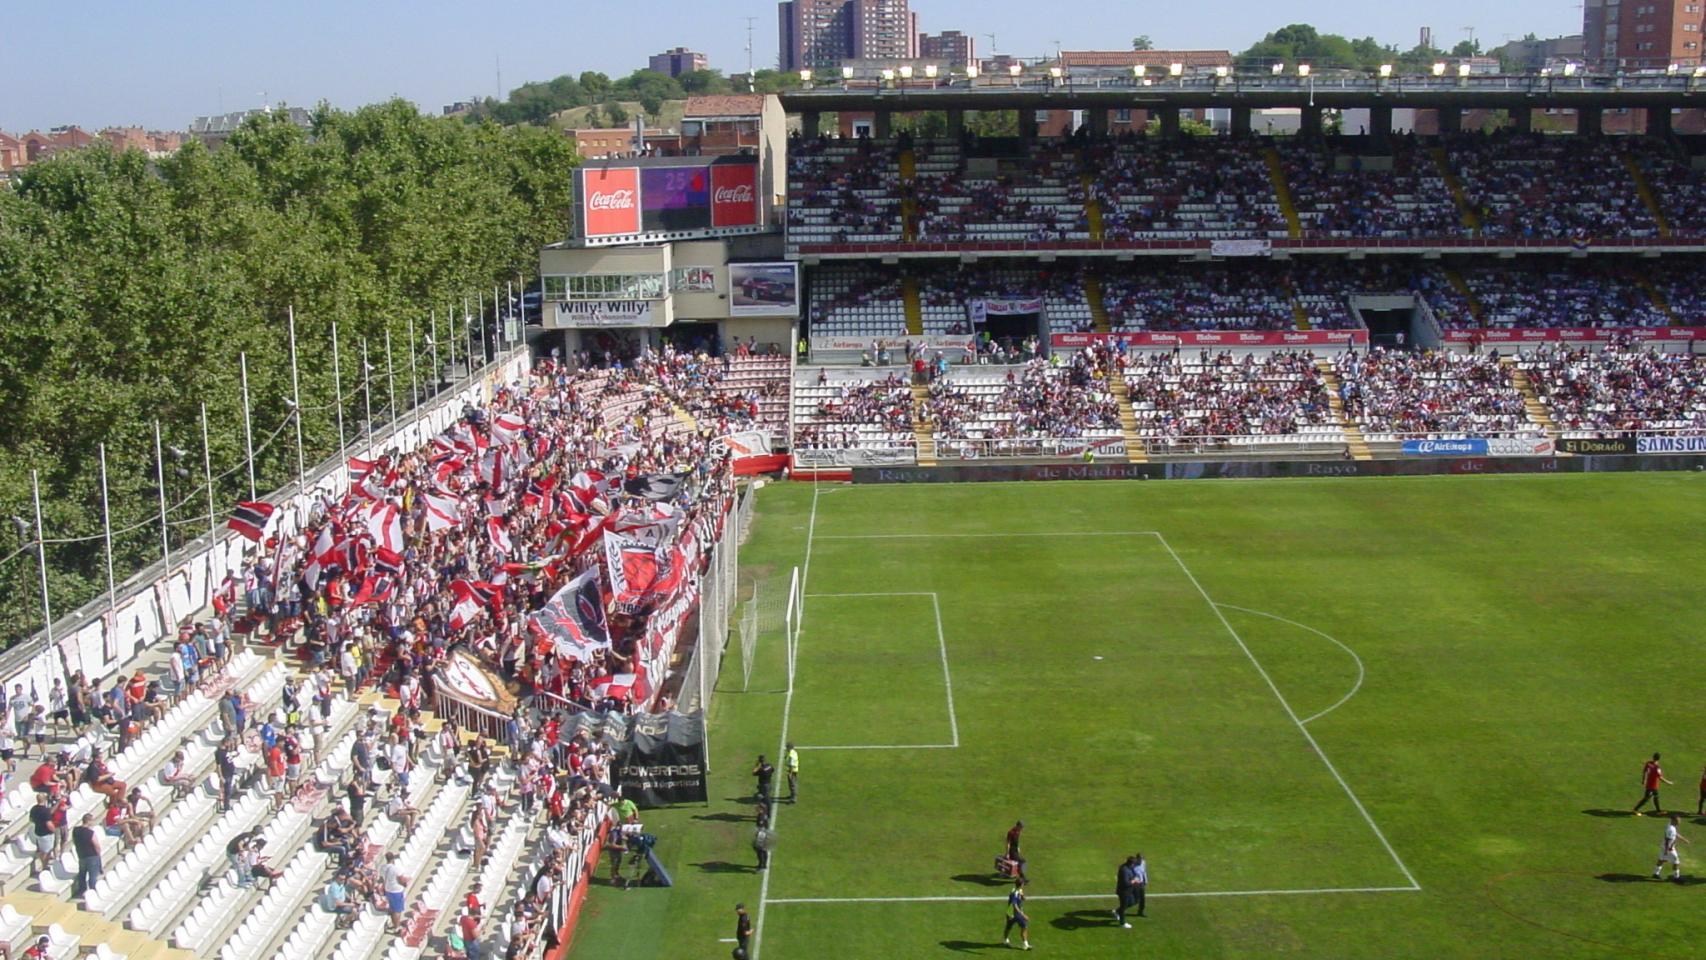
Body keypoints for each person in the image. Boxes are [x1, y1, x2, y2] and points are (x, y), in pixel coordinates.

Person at [71, 813, 101, 898]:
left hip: (81, 855)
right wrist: (98, 855)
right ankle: (92, 892)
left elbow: (74, 840)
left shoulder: (75, 830)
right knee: (93, 876)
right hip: (92, 856)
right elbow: (96, 845)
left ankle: (82, 890)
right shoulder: (90, 833)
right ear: (88, 821)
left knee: (82, 874)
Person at [1654, 813, 1689, 881]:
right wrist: (1667, 850)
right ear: (1673, 820)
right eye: (1677, 821)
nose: (1679, 822)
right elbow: (1667, 840)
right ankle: (1676, 877)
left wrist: (1683, 839)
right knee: (1676, 862)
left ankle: (1655, 873)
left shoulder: (1671, 825)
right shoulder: (1671, 829)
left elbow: (1675, 834)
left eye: (1679, 820)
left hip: (1664, 846)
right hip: (1669, 848)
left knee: (1661, 859)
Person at [381, 851, 410, 933]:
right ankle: (396, 927)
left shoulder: (383, 867)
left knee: (392, 908)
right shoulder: (396, 868)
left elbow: (382, 878)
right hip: (396, 891)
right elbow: (401, 880)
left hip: (388, 890)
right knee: (397, 910)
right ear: (393, 859)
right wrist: (405, 884)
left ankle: (395, 924)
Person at [1003, 879, 1031, 950]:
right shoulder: (1014, 893)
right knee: (1009, 927)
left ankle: (1025, 944)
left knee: (1024, 926)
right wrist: (1023, 915)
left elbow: (1023, 898)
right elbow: (1014, 906)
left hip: (1012, 913)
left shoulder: (1019, 890)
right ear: (1021, 884)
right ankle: (1006, 940)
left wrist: (1023, 896)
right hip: (1013, 914)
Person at [1114, 855, 1138, 927]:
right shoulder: (1124, 870)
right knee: (1123, 906)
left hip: (1129, 890)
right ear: (1131, 863)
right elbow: (1126, 882)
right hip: (1123, 891)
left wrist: (1135, 878)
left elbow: (1134, 874)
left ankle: (1117, 911)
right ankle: (1122, 923)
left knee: (1133, 902)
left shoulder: (1129, 867)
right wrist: (1134, 881)